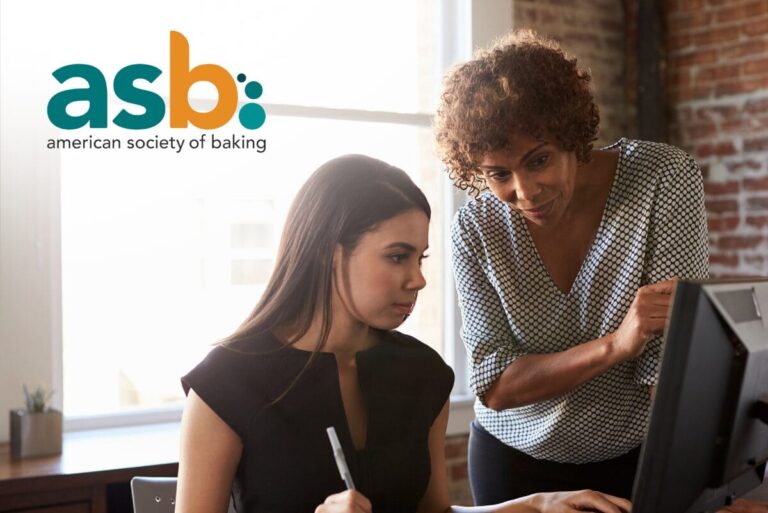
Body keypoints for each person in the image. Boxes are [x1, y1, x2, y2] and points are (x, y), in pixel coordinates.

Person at [175, 154, 633, 513]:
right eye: (397, 256)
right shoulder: (226, 385)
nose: (418, 279)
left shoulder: (423, 373)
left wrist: (536, 505)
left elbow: (434, 512)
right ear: (327, 255)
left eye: (421, 259)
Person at [434, 30, 709, 504]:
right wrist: (617, 344)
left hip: (637, 456)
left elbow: (668, 362)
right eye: (499, 174)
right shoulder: (474, 228)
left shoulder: (662, 178)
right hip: (512, 463)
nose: (526, 192)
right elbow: (494, 383)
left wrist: (691, 487)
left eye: (538, 160)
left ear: (571, 134)